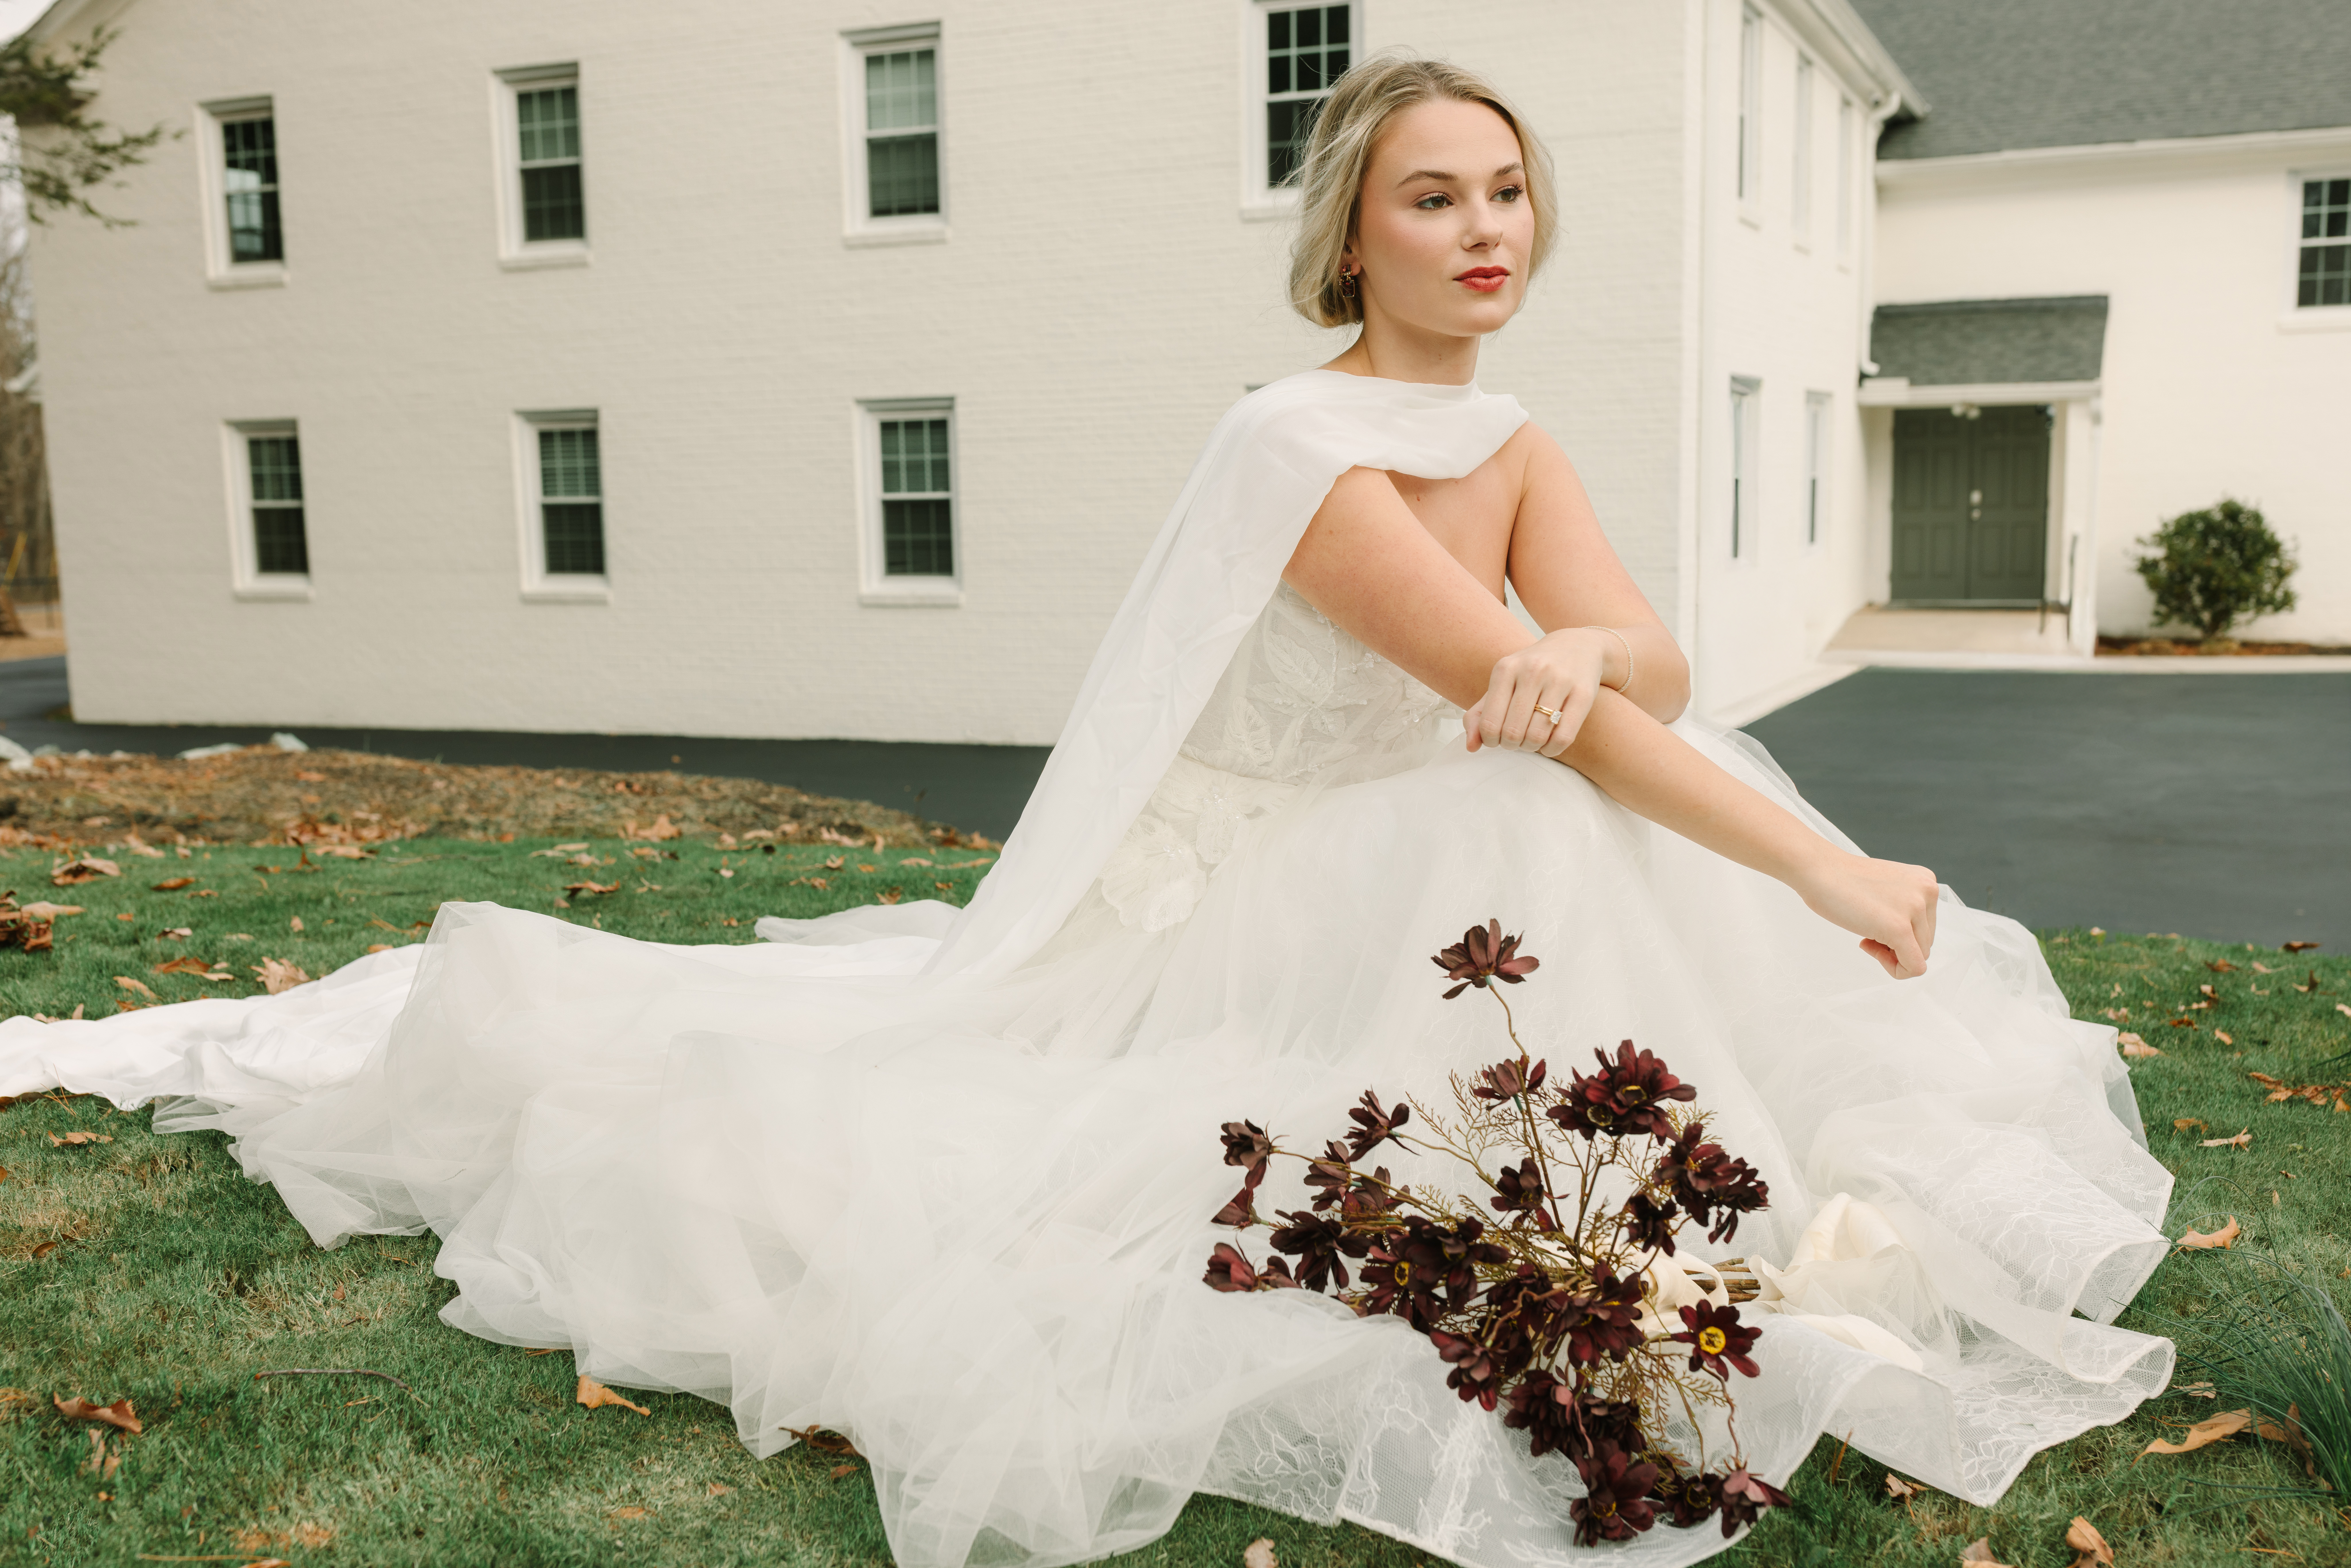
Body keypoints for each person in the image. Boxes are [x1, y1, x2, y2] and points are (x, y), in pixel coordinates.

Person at [0, 53, 2171, 1568]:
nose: (1483, 228)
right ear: (1356, 231)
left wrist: (1579, 650)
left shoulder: (1512, 433)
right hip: (1257, 880)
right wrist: (1812, 855)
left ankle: (1700, 1173)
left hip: (1456, 836)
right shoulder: (1295, 452)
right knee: (1539, 822)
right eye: (1436, 194)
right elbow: (1537, 711)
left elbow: (1652, 677)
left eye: (1509, 191)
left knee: (1558, 806)